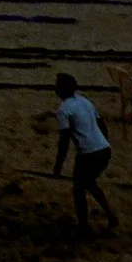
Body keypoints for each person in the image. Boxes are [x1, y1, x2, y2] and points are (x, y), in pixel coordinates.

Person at [51, 72, 117, 234]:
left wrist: (58, 166)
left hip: (88, 153)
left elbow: (64, 141)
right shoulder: (85, 101)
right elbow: (102, 125)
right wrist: (101, 142)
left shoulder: (64, 110)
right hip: (103, 149)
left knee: (79, 189)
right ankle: (109, 215)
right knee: (89, 183)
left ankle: (83, 226)